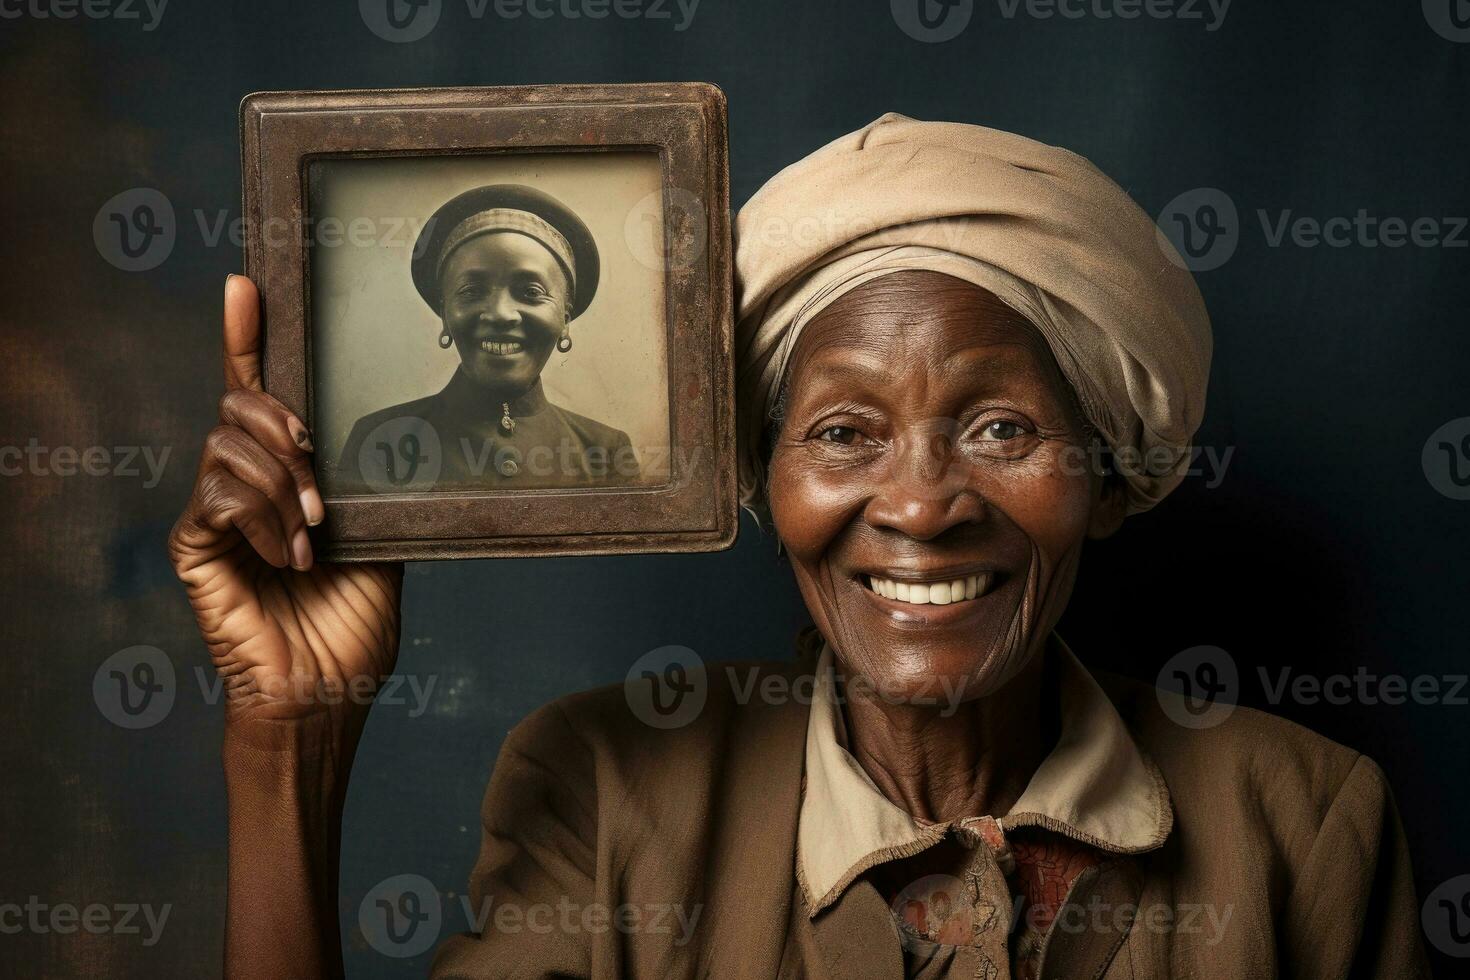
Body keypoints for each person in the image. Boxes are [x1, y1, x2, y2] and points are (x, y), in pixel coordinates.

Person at [168, 114, 1430, 979]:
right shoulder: (609, 791)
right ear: (765, 483)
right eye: (841, 430)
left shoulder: (1300, 818)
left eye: (1000, 425)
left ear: (1104, 475)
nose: (924, 502)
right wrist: (290, 734)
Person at [337, 183, 639, 491]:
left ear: (564, 319)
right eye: (472, 291)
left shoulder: (604, 452)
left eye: (530, 292)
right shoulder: (381, 440)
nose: (500, 314)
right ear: (445, 315)